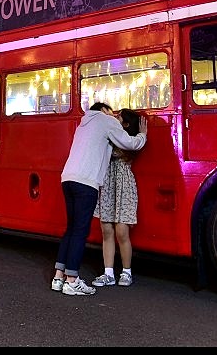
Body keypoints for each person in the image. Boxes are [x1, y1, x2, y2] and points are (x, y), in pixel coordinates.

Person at [51, 102, 146, 296]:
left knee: (70, 229)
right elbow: (130, 143)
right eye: (112, 114)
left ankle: (58, 277)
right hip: (86, 182)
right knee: (80, 231)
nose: (115, 118)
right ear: (104, 111)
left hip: (67, 178)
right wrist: (142, 135)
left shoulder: (83, 123)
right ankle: (72, 281)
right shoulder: (106, 120)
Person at [91, 108, 144, 287]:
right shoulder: (111, 133)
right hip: (108, 183)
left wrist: (143, 134)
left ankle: (126, 272)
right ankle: (108, 273)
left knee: (122, 231)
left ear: (126, 124)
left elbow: (135, 144)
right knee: (106, 230)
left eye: (119, 117)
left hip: (123, 184)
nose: (115, 117)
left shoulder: (125, 139)